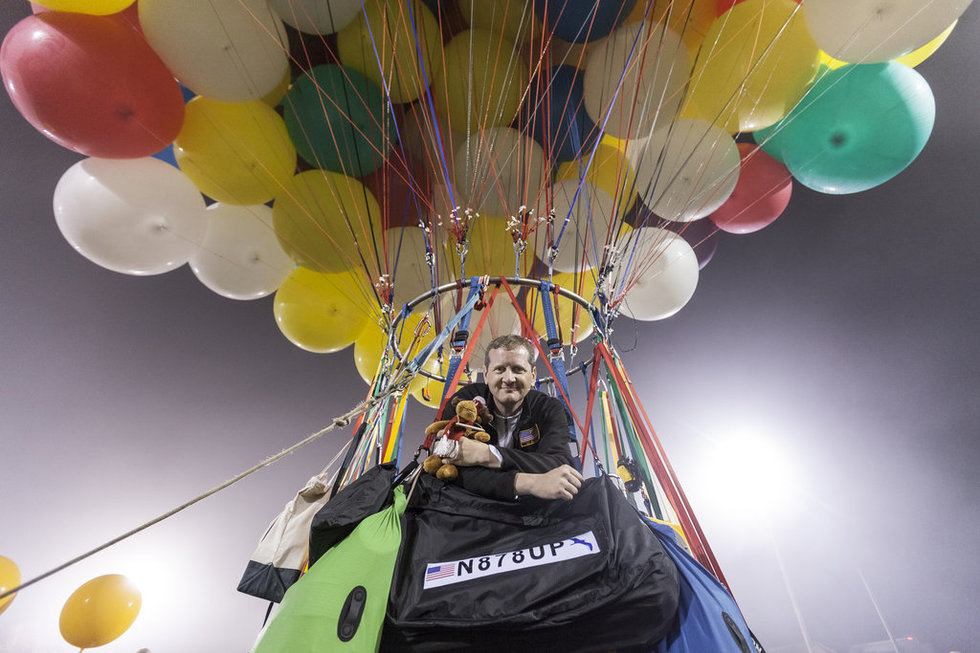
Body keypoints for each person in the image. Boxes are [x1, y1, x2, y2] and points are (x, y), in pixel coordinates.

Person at [436, 334, 584, 502]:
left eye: (518, 369)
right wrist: (528, 482)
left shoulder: (548, 408)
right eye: (499, 369)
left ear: (533, 375)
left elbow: (561, 466)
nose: (509, 378)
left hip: (531, 510)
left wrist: (487, 454)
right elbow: (448, 468)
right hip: (474, 509)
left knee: (600, 492)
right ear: (485, 374)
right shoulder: (464, 403)